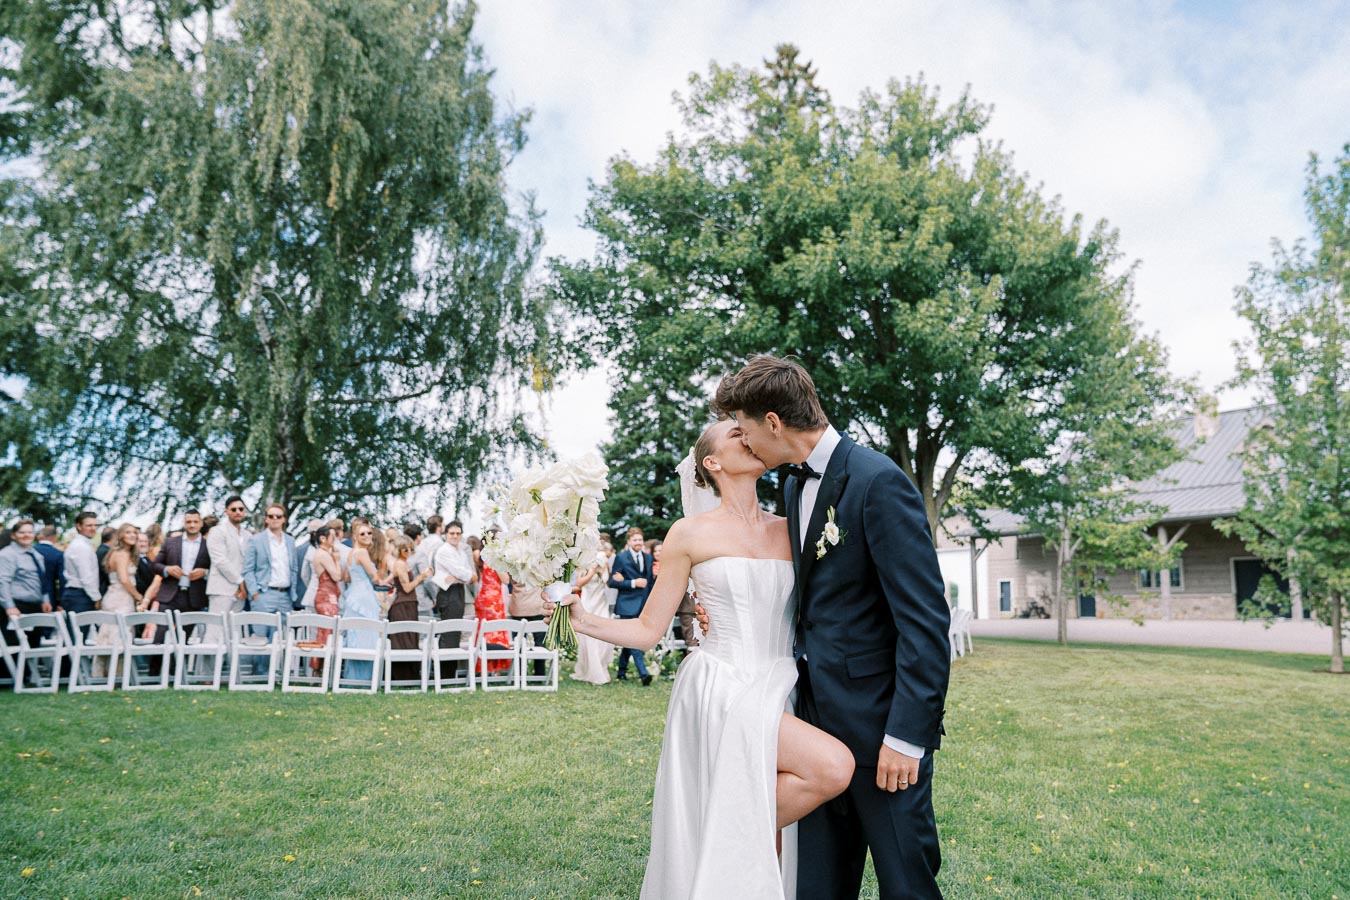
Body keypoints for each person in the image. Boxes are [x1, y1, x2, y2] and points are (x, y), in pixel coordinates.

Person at [547, 418, 854, 898]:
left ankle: (714, 837)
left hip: (780, 682)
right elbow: (648, 630)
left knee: (774, 841)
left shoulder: (791, 527)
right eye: (736, 434)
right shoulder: (688, 534)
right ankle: (713, 834)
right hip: (722, 686)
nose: (748, 436)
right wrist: (581, 619)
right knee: (832, 766)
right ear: (712, 463)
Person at [714, 355, 951, 900]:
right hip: (814, 734)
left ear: (773, 422)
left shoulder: (879, 482)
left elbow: (925, 623)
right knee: (816, 888)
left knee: (906, 886)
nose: (745, 444)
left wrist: (907, 738)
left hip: (882, 738)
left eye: (746, 431)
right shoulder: (794, 488)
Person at [148, 509, 211, 672]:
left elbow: (216, 568)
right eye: (188, 522)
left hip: (194, 598)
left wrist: (205, 573)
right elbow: (155, 565)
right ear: (184, 523)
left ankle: (174, 673)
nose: (192, 525)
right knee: (160, 635)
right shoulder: (170, 542)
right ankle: (154, 673)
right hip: (169, 595)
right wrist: (167, 569)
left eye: (195, 522)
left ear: (201, 523)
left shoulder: (208, 545)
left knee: (183, 637)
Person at [242, 503, 302, 654]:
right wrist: (255, 594)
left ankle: (274, 675)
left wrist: (293, 592)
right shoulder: (256, 540)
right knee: (260, 638)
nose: (275, 519)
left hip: (285, 596)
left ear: (284, 520)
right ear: (266, 519)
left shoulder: (290, 541)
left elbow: (294, 568)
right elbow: (248, 570)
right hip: (264, 593)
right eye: (271, 516)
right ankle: (260, 674)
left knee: (280, 637)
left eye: (278, 516)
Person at [94, 524, 144, 678]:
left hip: (116, 596)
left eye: (134, 533)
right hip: (120, 598)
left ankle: (110, 675)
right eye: (128, 532)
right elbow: (124, 579)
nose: (132, 535)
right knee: (118, 637)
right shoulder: (121, 554)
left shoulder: (117, 553)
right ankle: (114, 676)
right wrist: (138, 596)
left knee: (110, 636)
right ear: (121, 535)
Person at [609, 527, 654, 685]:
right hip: (627, 605)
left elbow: (649, 582)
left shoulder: (648, 558)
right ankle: (644, 674)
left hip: (644, 604)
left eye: (640, 540)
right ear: (629, 542)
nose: (638, 543)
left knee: (629, 640)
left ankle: (621, 672)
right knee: (634, 638)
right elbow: (612, 582)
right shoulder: (621, 558)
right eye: (635, 540)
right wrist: (633, 583)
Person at [429, 519, 474, 674]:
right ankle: (444, 673)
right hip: (448, 593)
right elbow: (462, 573)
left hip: (459, 591)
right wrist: (464, 575)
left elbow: (467, 574)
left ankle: (450, 672)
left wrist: (464, 575)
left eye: (458, 533)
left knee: (456, 632)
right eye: (452, 533)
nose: (455, 536)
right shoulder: (444, 550)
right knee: (448, 633)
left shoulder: (460, 551)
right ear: (446, 534)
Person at [341, 521, 385, 682]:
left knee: (356, 635)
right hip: (364, 596)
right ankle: (365, 679)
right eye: (362, 534)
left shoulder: (351, 553)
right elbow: (375, 577)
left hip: (353, 593)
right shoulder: (362, 553)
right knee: (367, 635)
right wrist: (388, 576)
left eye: (369, 533)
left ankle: (353, 678)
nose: (367, 536)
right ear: (355, 537)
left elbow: (345, 577)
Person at [204, 496, 249, 650]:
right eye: (234, 509)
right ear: (226, 511)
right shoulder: (217, 531)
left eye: (241, 509)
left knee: (232, 635)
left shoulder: (247, 534)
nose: (238, 512)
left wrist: (244, 586)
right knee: (214, 634)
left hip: (241, 592)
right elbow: (220, 560)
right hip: (221, 588)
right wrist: (240, 581)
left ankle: (227, 673)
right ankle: (205, 674)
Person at [389, 533, 433, 681]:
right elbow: (406, 588)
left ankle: (411, 675)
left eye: (410, 549)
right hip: (403, 605)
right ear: (398, 550)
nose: (409, 552)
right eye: (405, 550)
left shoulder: (404, 563)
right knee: (403, 639)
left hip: (410, 604)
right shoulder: (399, 564)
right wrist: (421, 577)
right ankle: (402, 676)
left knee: (410, 638)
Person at [0, 520, 51, 649]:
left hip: (34, 607)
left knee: (32, 647)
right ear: (13, 535)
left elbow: (42, 579)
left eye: (29, 532)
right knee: (15, 649)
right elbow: (2, 581)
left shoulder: (36, 555)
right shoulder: (7, 554)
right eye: (22, 532)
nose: (26, 535)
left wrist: (45, 600)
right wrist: (9, 607)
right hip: (16, 608)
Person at [570, 543, 614, 685]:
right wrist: (593, 572)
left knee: (604, 637)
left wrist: (602, 572)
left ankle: (601, 668)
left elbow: (608, 583)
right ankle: (592, 672)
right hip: (588, 602)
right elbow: (580, 583)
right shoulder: (584, 562)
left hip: (601, 602)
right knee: (589, 637)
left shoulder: (604, 562)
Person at [466, 536, 511, 673]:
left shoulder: (478, 555)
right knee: (495, 632)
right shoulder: (495, 558)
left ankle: (483, 668)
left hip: (482, 597)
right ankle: (495, 669)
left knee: (484, 632)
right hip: (494, 601)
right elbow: (506, 580)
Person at [306, 524, 344, 673]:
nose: (335, 539)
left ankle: (322, 669)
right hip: (326, 598)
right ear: (323, 538)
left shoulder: (322, 553)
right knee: (326, 633)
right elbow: (337, 576)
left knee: (326, 632)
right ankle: (319, 668)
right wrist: (337, 560)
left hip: (328, 596)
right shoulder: (323, 555)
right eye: (333, 536)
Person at [60, 511, 102, 621]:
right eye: (89, 525)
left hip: (78, 594)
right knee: (77, 635)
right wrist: (96, 598)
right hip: (80, 595)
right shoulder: (80, 547)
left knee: (78, 634)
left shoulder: (82, 544)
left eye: (95, 525)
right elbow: (86, 576)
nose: (93, 528)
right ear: (79, 526)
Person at [33, 525, 64, 610]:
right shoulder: (58, 554)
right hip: (50, 597)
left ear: (39, 537)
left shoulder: (31, 551)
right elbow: (62, 580)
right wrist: (61, 602)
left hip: (28, 596)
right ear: (55, 538)